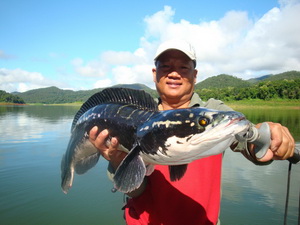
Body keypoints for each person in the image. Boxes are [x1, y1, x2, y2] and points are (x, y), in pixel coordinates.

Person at [89, 40, 295, 225]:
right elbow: (135, 191)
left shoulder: (214, 111)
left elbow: (247, 136)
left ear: (195, 75)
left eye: (183, 67)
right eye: (166, 66)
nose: (174, 73)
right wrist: (117, 161)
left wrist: (267, 137)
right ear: (155, 73)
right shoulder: (133, 117)